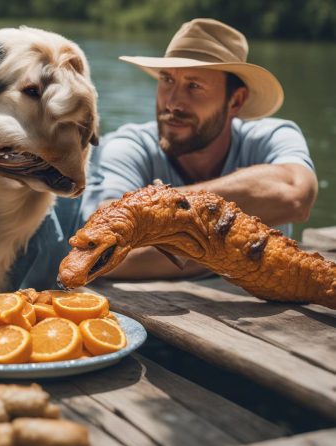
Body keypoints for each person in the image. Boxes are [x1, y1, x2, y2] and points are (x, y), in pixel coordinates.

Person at [83, 18, 318, 280]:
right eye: (167, 80)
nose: (172, 102)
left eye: (194, 86)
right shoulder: (128, 147)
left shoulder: (272, 136)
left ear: (236, 100)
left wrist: (150, 217)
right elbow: (100, 252)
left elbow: (295, 194)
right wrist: (240, 247)